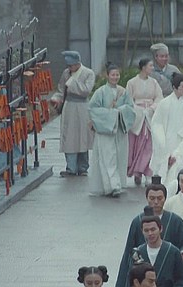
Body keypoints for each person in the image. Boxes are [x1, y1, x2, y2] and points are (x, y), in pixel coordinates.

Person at [115, 178, 183, 287]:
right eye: (152, 198)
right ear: (147, 198)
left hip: (168, 279)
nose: (156, 202)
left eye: (159, 198)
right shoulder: (137, 221)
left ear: (165, 198)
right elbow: (129, 251)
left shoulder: (175, 221)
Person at [88, 63, 136, 198]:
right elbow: (92, 109)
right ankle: (111, 186)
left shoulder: (123, 92)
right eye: (113, 75)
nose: (115, 77)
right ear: (107, 75)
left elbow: (130, 108)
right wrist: (111, 114)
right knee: (108, 158)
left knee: (120, 157)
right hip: (106, 130)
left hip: (119, 128)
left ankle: (117, 183)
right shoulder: (100, 92)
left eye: (117, 75)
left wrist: (120, 111)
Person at [50, 50, 95, 177]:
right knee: (69, 137)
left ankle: (83, 167)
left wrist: (72, 82)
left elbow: (86, 90)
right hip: (69, 106)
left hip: (82, 107)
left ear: (77, 63)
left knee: (82, 137)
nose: (70, 68)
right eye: (69, 66)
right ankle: (71, 167)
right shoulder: (66, 73)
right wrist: (56, 98)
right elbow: (61, 89)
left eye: (72, 65)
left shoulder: (88, 73)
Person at [150, 72, 183, 180]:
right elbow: (157, 123)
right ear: (174, 87)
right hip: (168, 140)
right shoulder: (164, 103)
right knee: (165, 169)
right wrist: (161, 140)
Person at [126, 58, 164, 186]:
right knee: (136, 145)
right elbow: (128, 99)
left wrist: (152, 108)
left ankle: (148, 172)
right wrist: (137, 110)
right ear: (143, 67)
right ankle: (137, 172)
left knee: (149, 146)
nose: (152, 68)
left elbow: (159, 97)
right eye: (150, 66)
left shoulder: (154, 82)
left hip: (150, 116)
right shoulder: (132, 83)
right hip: (137, 117)